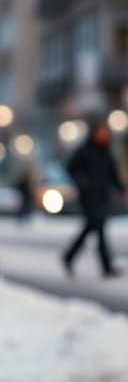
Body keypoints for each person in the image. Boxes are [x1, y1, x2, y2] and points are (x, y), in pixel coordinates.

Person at [62, 117, 126, 277]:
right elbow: (71, 168)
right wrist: (83, 182)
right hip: (89, 197)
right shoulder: (84, 151)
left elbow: (113, 175)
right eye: (100, 132)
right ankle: (106, 267)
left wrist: (122, 189)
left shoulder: (106, 152)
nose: (103, 135)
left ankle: (69, 256)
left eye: (105, 132)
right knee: (100, 228)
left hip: (102, 195)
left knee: (91, 228)